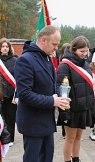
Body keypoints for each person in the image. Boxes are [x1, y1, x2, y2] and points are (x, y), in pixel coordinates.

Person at [14, 25, 71, 162]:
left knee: (47, 157)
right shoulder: (25, 60)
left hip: (46, 121)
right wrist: (53, 101)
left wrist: (61, 97)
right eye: (54, 44)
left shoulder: (47, 58)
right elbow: (24, 94)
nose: (56, 48)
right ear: (44, 40)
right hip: (32, 123)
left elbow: (52, 85)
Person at [57, 35, 95, 162]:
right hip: (71, 109)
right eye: (82, 51)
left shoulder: (85, 64)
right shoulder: (65, 65)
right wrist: (65, 112)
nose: (85, 54)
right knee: (70, 138)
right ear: (73, 49)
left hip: (84, 107)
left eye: (86, 51)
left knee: (79, 138)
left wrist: (91, 105)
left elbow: (90, 87)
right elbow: (62, 90)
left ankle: (76, 159)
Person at [0, 38, 17, 147]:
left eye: (7, 46)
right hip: (0, 93)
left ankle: (10, 138)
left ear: (9, 48)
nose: (5, 48)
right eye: (3, 46)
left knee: (11, 117)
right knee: (1, 116)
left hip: (11, 93)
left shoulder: (15, 61)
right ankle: (2, 137)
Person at [58, 42, 70, 139]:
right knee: (63, 110)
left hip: (68, 88)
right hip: (62, 87)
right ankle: (63, 131)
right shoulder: (60, 61)